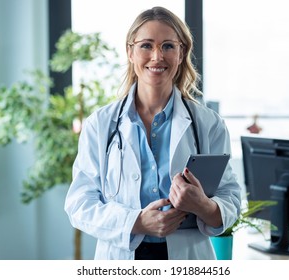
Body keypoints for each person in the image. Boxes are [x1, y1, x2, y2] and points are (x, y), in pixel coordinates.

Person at [64, 6, 241, 260]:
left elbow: (231, 198)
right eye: (146, 45)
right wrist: (137, 222)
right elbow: (79, 205)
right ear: (130, 52)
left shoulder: (208, 124)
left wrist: (202, 205)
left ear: (181, 53)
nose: (157, 56)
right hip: (121, 256)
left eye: (168, 46)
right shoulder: (100, 124)